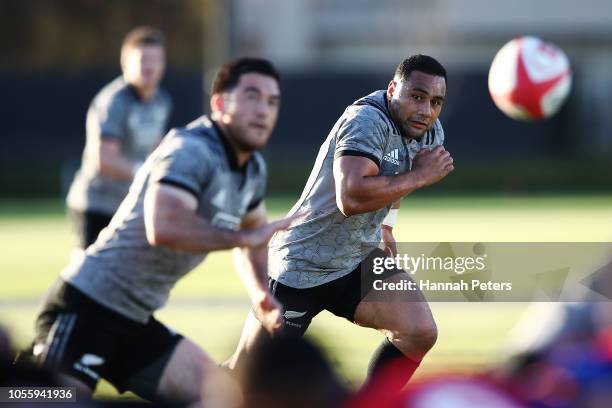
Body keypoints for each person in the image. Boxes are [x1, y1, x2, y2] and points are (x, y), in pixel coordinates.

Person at [21, 58, 291, 406]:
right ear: (220, 103)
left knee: (222, 395)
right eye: (252, 96)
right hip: (87, 306)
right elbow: (163, 226)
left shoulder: (252, 168)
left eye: (272, 102)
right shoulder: (191, 149)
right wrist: (241, 239)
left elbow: (253, 232)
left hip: (135, 322)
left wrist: (259, 293)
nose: (263, 110)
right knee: (41, 400)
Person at [228, 55, 454, 390]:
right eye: (417, 96)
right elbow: (350, 198)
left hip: (356, 258)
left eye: (435, 102)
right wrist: (419, 176)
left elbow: (397, 171)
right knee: (247, 378)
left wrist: (388, 222)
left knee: (418, 332)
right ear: (393, 89)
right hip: (302, 265)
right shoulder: (366, 120)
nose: (426, 110)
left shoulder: (429, 131)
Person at [66, 26, 172, 249]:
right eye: (143, 60)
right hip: (97, 203)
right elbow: (103, 159)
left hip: (129, 204)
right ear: (125, 63)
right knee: (87, 276)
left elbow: (155, 147)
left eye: (156, 60)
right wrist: (145, 173)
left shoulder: (161, 100)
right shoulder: (114, 101)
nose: (150, 67)